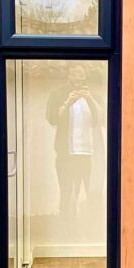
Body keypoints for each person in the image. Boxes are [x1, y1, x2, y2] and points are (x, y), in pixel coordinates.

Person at [45, 64, 101, 220]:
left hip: (89, 154)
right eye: (75, 74)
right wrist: (67, 102)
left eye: (81, 74)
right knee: (66, 192)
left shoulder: (92, 95)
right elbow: (52, 119)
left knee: (91, 192)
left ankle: (90, 225)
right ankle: (66, 224)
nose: (79, 78)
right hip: (66, 154)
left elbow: (100, 120)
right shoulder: (57, 94)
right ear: (68, 76)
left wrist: (90, 99)